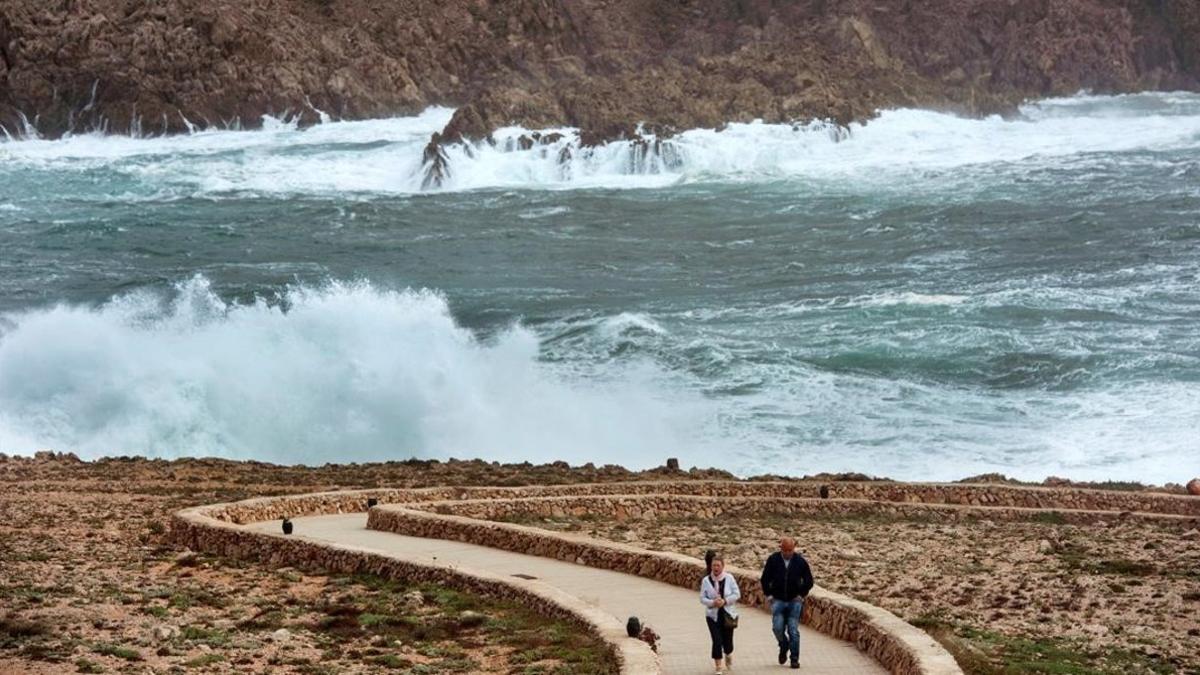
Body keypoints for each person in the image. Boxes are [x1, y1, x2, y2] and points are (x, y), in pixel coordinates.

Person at [760, 537, 813, 669]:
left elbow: (809, 580)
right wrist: (769, 595)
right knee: (777, 628)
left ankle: (794, 659)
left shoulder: (800, 562)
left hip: (794, 601)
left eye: (790, 550)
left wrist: (801, 595)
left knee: (793, 630)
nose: (788, 553)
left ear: (794, 548)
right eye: (785, 550)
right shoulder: (773, 560)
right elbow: (765, 578)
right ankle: (784, 646)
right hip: (778, 600)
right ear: (781, 548)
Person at [700, 553, 739, 674]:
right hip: (712, 616)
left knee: (728, 643)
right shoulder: (706, 580)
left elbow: (737, 594)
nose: (715, 568)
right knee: (716, 640)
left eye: (718, 565)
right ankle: (718, 667)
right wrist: (712, 602)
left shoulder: (729, 578)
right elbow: (702, 598)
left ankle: (728, 654)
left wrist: (725, 601)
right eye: (713, 565)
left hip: (727, 615)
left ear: (723, 566)